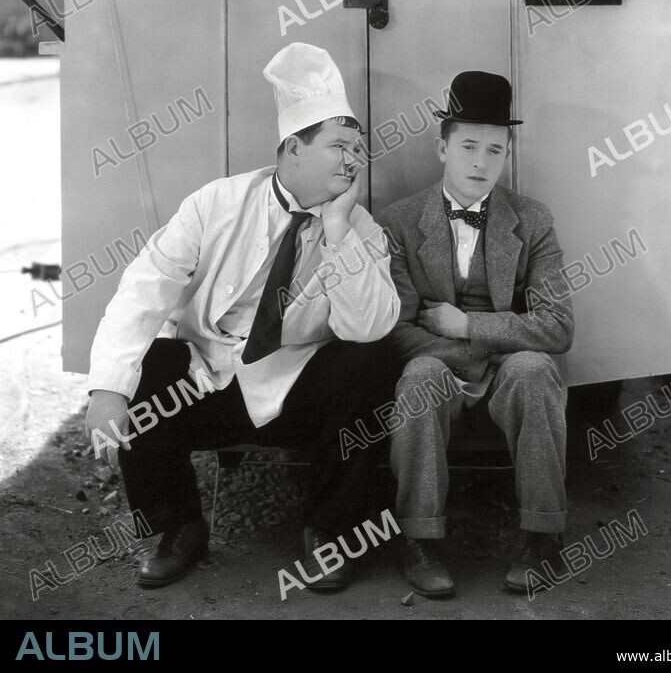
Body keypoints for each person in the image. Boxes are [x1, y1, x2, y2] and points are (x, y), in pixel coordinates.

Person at [84, 42, 400, 591]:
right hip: (208, 381)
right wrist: (107, 390)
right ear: (293, 148)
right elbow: (144, 287)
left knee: (372, 361)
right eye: (340, 146)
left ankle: (331, 532)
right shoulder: (218, 203)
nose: (354, 160)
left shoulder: (361, 230)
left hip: (292, 387)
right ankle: (178, 526)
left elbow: (369, 327)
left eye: (358, 149)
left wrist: (336, 231)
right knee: (146, 364)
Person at [375, 71, 574, 597]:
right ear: (441, 148)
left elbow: (557, 326)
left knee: (535, 371)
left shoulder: (532, 221)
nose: (481, 162)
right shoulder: (397, 221)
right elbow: (395, 328)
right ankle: (420, 541)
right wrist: (463, 357)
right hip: (435, 360)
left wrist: (469, 327)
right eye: (467, 146)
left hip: (509, 360)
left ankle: (542, 536)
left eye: (495, 149)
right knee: (419, 378)